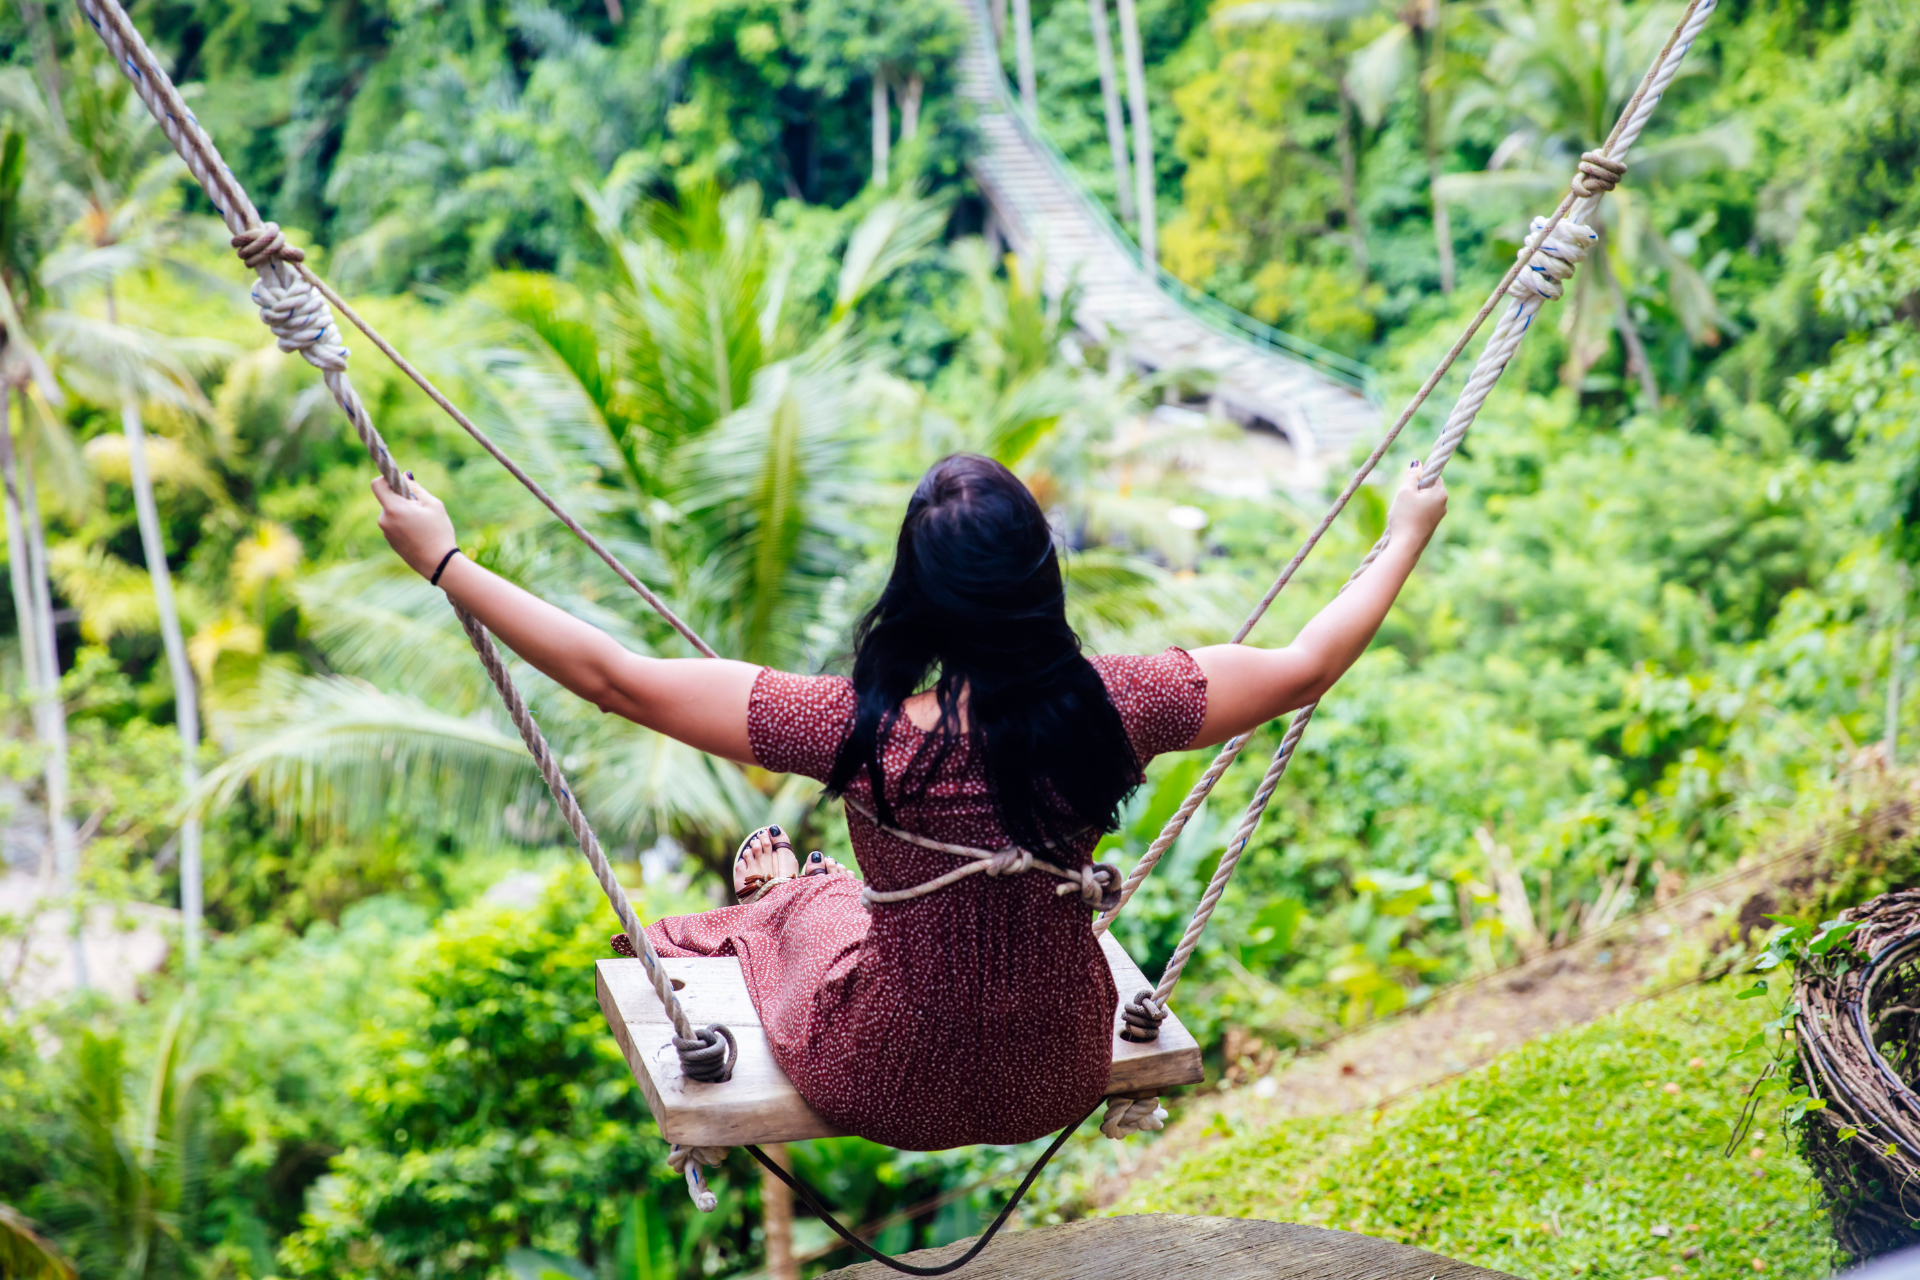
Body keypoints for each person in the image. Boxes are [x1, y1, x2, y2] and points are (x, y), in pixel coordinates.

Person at [372, 452, 1447, 1151]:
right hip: (1058, 1065)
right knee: (847, 906)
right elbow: (1305, 663)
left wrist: (448, 561)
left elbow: (616, 679)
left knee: (818, 910)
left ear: (915, 595)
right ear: (1043, 573)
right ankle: (799, 890)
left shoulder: (857, 729)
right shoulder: (1121, 704)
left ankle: (786, 891)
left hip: (881, 1073)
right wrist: (1403, 532)